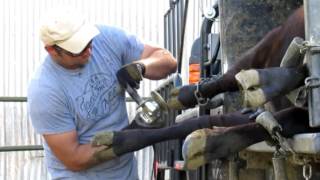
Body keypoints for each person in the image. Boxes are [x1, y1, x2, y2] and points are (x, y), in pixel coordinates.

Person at [27, 8, 177, 180]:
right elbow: (74, 159)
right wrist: (131, 134)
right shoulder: (45, 91)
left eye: (88, 41)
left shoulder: (105, 39)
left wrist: (141, 67)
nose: (88, 51)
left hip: (126, 173)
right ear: (52, 50)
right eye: (78, 49)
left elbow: (168, 60)